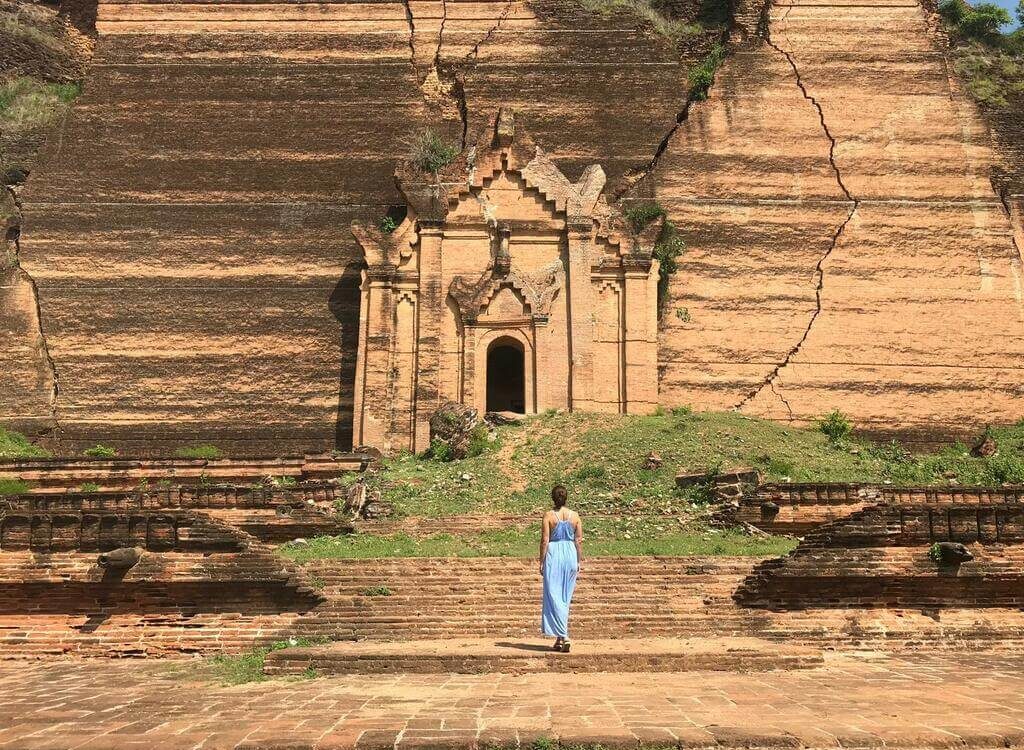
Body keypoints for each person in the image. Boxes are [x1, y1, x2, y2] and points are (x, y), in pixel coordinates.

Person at [539, 484, 583, 652]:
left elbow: (545, 540)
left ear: (553, 498)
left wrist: (541, 561)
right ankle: (559, 638)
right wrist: (578, 560)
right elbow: (578, 540)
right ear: (566, 498)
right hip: (570, 555)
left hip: (554, 555)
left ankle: (564, 635)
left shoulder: (549, 516)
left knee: (554, 596)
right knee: (564, 597)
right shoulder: (575, 516)